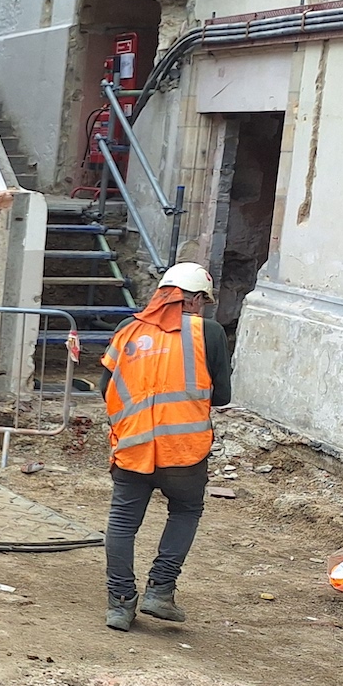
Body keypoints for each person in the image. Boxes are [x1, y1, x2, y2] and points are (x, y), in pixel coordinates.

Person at [99, 263, 231, 631]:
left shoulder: (128, 329)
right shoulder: (209, 332)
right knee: (186, 511)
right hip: (184, 450)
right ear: (197, 300)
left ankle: (120, 604)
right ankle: (160, 590)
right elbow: (222, 395)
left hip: (133, 445)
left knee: (123, 522)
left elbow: (103, 386)